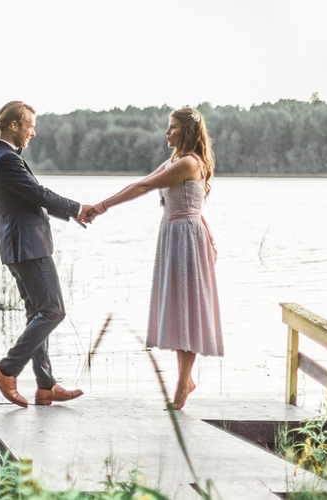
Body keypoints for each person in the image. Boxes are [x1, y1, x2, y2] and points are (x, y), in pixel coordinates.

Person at [84, 107, 222, 410]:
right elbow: (141, 182)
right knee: (177, 306)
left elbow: (145, 187)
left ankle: (184, 382)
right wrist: (102, 204)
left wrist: (102, 206)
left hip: (187, 237)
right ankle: (184, 380)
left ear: (186, 131)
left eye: (172, 127)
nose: (166, 132)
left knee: (188, 307)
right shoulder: (174, 160)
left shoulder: (188, 162)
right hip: (174, 234)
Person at [0, 100, 93, 408]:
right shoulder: (5, 159)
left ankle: (46, 386)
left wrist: (71, 214)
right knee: (53, 310)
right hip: (28, 247)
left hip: (20, 247)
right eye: (30, 125)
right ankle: (7, 370)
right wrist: (77, 208)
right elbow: (37, 193)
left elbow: (29, 198)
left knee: (38, 314)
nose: (33, 132)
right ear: (14, 125)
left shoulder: (1, 157)